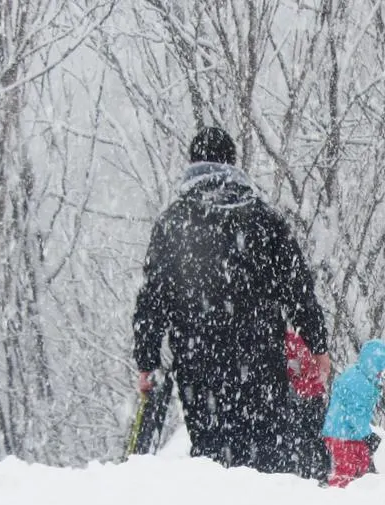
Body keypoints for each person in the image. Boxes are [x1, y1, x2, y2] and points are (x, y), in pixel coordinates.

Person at [133, 126, 330, 476]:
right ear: (233, 164)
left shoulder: (173, 223)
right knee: (267, 460)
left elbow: (152, 300)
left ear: (192, 164)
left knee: (212, 462)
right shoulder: (264, 220)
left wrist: (147, 360)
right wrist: (317, 345)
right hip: (260, 362)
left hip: (198, 364)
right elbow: (298, 289)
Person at [322, 338, 385, 488]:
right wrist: (367, 435)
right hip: (340, 434)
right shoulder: (358, 383)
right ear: (374, 365)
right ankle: (337, 495)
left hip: (352, 434)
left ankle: (361, 493)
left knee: (363, 463)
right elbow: (355, 414)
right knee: (346, 469)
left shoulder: (365, 379)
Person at [285, 329, 330, 481]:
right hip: (310, 395)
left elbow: (307, 367)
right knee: (315, 438)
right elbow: (310, 368)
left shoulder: (292, 340)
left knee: (305, 438)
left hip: (305, 396)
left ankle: (310, 473)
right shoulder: (299, 340)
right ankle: (319, 473)